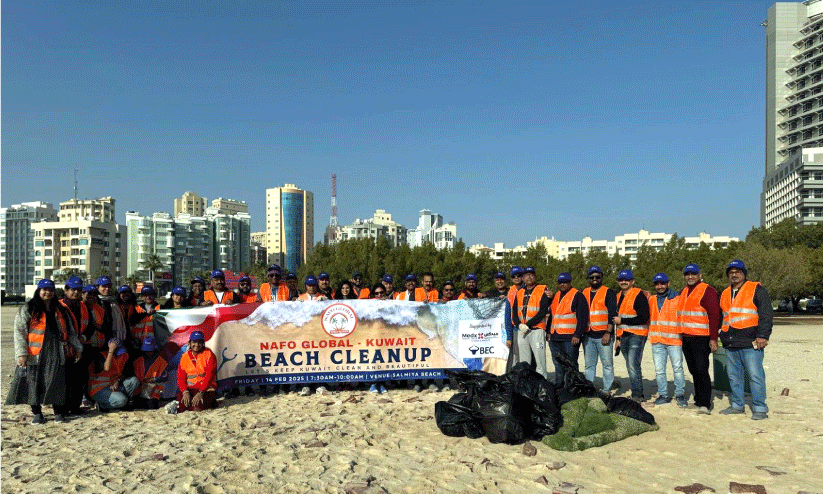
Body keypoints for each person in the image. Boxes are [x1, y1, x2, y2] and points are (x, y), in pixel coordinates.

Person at [6, 279, 83, 424]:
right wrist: (21, 354)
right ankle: (37, 413)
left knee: (56, 381)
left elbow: (71, 332)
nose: (47, 292)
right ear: (39, 291)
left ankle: (58, 412)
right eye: (44, 289)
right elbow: (20, 332)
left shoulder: (60, 309)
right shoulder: (28, 308)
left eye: (50, 290)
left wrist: (77, 348)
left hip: (56, 351)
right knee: (33, 382)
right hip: (34, 353)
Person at [719, 260, 772, 420]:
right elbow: (724, 317)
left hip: (751, 342)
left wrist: (763, 336)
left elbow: (766, 314)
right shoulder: (725, 293)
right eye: (731, 272)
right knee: (734, 377)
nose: (734, 275)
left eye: (738, 272)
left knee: (755, 376)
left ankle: (760, 408)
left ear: (744, 274)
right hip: (731, 342)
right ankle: (737, 405)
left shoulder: (757, 289)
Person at [678, 263, 721, 414]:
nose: (690, 277)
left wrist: (713, 339)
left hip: (701, 338)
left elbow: (714, 316)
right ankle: (698, 400)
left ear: (700, 275)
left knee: (701, 370)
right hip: (686, 337)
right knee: (694, 370)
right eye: (687, 274)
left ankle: (705, 404)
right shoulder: (684, 291)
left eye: (693, 274)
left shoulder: (708, 291)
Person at [59, 276, 103, 415]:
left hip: (82, 347)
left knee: (80, 379)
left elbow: (90, 326)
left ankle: (75, 407)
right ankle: (63, 408)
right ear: (66, 290)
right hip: (65, 348)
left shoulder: (83, 306)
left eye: (78, 290)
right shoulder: (59, 306)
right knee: (65, 380)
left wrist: (83, 338)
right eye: (73, 290)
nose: (76, 292)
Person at [648, 273, 687, 407]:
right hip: (657, 341)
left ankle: (680, 395)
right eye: (657, 284)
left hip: (674, 341)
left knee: (677, 368)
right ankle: (663, 395)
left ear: (668, 284)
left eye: (663, 283)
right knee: (659, 371)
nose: (660, 286)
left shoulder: (677, 298)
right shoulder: (652, 299)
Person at [613, 269, 650, 402]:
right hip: (624, 335)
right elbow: (618, 321)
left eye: (626, 280)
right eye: (621, 280)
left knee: (633, 364)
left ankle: (638, 395)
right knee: (630, 365)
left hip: (637, 334)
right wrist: (618, 338)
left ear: (632, 281)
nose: (623, 282)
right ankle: (636, 392)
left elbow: (644, 317)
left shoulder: (639, 295)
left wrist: (622, 321)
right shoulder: (618, 296)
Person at [581, 266, 617, 395]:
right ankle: (589, 388)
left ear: (601, 277)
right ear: (589, 278)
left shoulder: (608, 292)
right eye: (592, 277)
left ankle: (607, 389)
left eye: (597, 277)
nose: (594, 279)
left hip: (603, 335)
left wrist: (608, 333)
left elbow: (612, 314)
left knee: (607, 364)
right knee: (589, 365)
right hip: (588, 335)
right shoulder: (584, 292)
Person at [548, 272, 588, 386]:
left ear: (570, 282)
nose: (562, 284)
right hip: (555, 337)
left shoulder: (577, 295)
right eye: (560, 282)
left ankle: (572, 387)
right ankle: (560, 386)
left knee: (571, 365)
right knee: (558, 364)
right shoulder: (556, 296)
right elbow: (552, 315)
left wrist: (578, 334)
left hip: (570, 338)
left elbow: (582, 317)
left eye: (565, 282)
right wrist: (548, 331)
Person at [511, 267, 552, 379]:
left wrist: (528, 324)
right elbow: (514, 311)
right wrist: (519, 325)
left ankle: (542, 384)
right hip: (522, 331)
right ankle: (526, 383)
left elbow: (543, 311)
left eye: (531, 275)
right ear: (523, 278)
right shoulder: (519, 292)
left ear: (535, 276)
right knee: (524, 362)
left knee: (540, 360)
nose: (528, 277)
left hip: (536, 330)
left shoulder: (542, 289)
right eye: (526, 275)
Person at [88, 338, 139, 412]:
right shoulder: (100, 356)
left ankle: (124, 403)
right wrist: (111, 351)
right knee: (122, 400)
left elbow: (120, 373)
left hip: (112, 386)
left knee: (134, 381)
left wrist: (117, 380)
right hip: (99, 389)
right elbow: (106, 368)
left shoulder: (121, 356)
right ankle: (102, 406)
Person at [176, 331, 217, 412]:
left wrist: (201, 392)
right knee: (182, 405)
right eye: (194, 342)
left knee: (197, 407)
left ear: (203, 343)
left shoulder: (209, 354)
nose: (197, 345)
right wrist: (185, 392)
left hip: (206, 389)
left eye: (200, 342)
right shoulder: (184, 357)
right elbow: (181, 377)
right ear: (189, 343)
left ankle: (211, 402)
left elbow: (210, 376)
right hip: (190, 389)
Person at [132, 336, 168, 410]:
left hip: (154, 392)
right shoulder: (138, 361)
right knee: (137, 404)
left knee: (152, 405)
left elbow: (165, 376)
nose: (148, 353)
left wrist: (153, 379)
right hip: (140, 391)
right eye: (146, 351)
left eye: (150, 351)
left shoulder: (161, 361)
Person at [96, 277, 128, 343]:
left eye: (109, 287)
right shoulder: (94, 302)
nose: (107, 289)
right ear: (97, 287)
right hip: (98, 340)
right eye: (104, 286)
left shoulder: (114, 302)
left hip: (113, 339)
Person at [131, 286, 160, 351]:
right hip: (138, 343)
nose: (148, 297)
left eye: (150, 294)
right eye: (145, 295)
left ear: (154, 295)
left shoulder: (159, 308)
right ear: (142, 297)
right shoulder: (137, 308)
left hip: (154, 343)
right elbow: (132, 322)